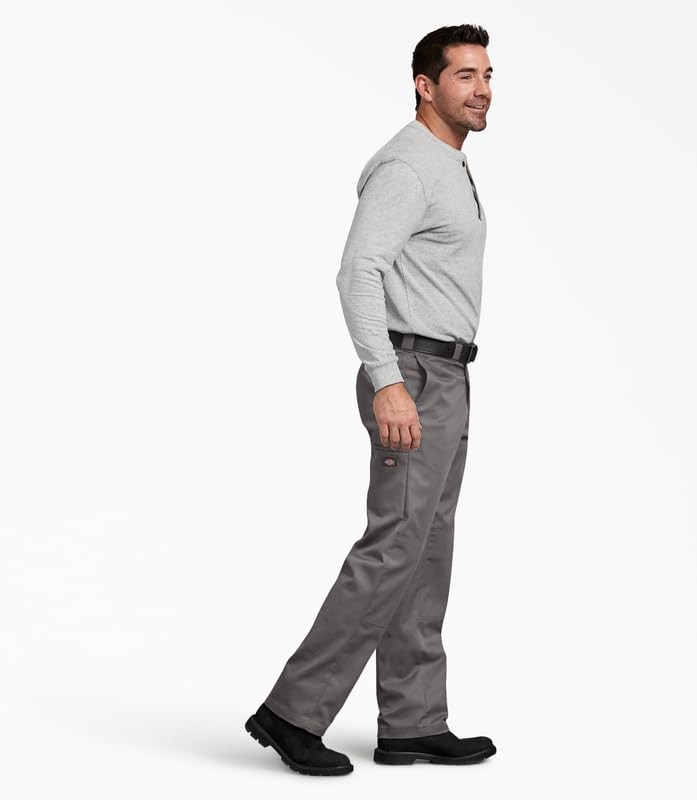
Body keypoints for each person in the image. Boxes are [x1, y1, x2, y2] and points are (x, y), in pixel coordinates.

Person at [245, 23, 496, 776]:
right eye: (465, 76)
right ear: (425, 85)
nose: (482, 90)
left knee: (426, 551)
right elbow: (358, 271)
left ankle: (413, 722)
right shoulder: (409, 165)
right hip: (411, 374)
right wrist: (386, 380)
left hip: (446, 375)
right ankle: (292, 712)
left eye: (487, 75)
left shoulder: (447, 162)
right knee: (392, 549)